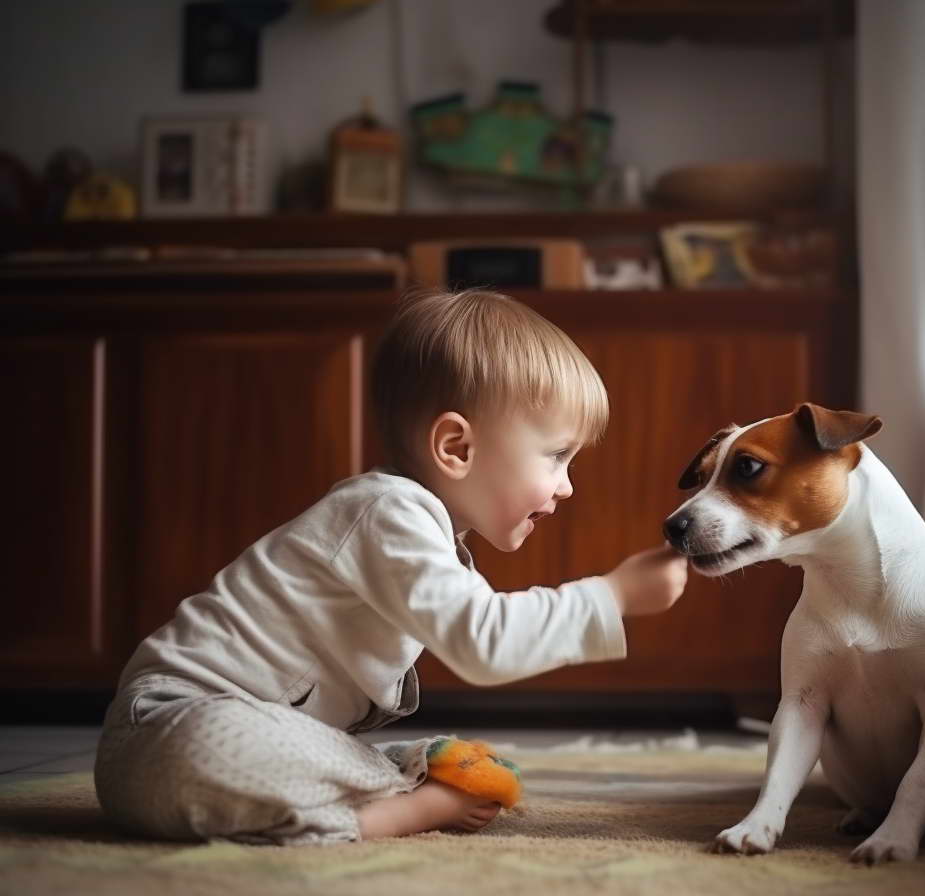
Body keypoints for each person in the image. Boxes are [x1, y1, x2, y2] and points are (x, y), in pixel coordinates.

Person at [93, 287, 688, 845]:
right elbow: (486, 642)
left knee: (294, 750)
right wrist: (613, 595)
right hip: (167, 729)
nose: (566, 487)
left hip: (261, 735)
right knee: (204, 751)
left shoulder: (428, 533)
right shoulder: (387, 512)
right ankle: (409, 798)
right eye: (558, 456)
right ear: (456, 448)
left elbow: (488, 632)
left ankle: (400, 772)